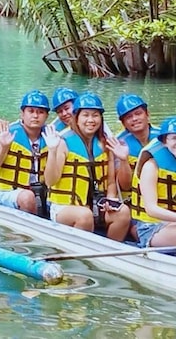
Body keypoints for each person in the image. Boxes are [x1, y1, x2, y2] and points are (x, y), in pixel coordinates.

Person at [43, 92, 131, 241]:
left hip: (96, 205)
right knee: (84, 215)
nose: (91, 120)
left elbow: (110, 183)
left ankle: (108, 251)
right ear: (76, 118)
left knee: (123, 212)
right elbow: (50, 181)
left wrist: (111, 200)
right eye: (86, 115)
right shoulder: (63, 142)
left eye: (95, 115)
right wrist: (52, 150)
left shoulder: (105, 144)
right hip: (64, 208)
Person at [129, 116, 176, 248]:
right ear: (164, 141)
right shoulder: (151, 166)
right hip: (151, 227)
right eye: (174, 138)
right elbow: (151, 209)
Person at [0, 90, 50, 217]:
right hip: (11, 192)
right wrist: (4, 147)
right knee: (27, 197)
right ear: (22, 114)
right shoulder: (9, 134)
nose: (35, 116)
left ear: (46, 116)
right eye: (31, 111)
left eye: (40, 112)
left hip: (43, 192)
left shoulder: (51, 137)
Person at [107, 93, 159, 195]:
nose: (134, 119)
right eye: (129, 117)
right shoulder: (118, 144)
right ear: (123, 123)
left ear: (147, 114)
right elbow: (125, 186)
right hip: (133, 197)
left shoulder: (165, 138)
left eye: (138, 113)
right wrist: (123, 160)